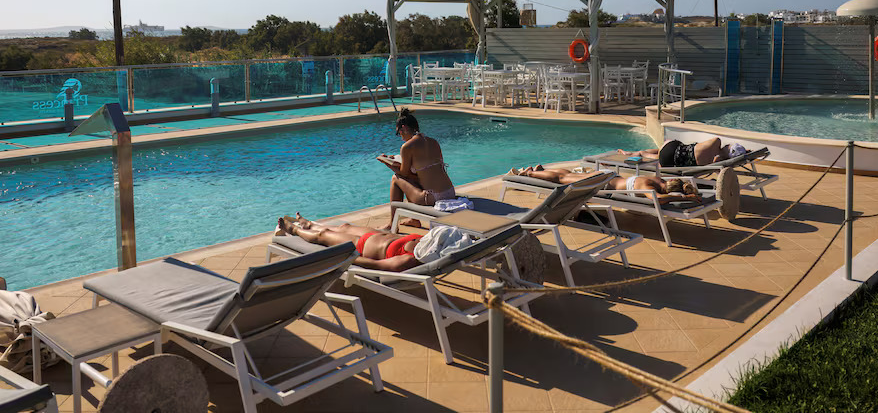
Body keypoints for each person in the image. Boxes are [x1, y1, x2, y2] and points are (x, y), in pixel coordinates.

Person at [275, 214, 472, 272]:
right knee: (343, 226)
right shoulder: (424, 243)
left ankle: (293, 230)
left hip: (361, 247)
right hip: (374, 235)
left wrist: (348, 257)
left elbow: (374, 264)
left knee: (324, 234)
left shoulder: (408, 261)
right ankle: (308, 223)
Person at [377, 108, 456, 230]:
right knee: (410, 181)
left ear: (404, 128)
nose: (401, 137)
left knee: (395, 179)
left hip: (434, 197)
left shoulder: (407, 147)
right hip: (450, 192)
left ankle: (392, 224)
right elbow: (427, 172)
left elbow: (403, 174)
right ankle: (414, 220)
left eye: (399, 133)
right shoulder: (433, 142)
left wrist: (387, 163)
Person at [514, 166, 700, 202]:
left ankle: (538, 170)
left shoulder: (656, 180)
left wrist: (684, 192)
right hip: (602, 182)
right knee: (562, 180)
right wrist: (685, 197)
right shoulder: (650, 189)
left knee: (568, 175)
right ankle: (529, 173)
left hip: (608, 175)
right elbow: (658, 199)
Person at [617, 137, 744, 168]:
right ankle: (640, 153)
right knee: (658, 154)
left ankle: (637, 153)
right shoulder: (718, 162)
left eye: (729, 146)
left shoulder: (716, 142)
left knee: (667, 147)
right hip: (671, 162)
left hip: (671, 148)